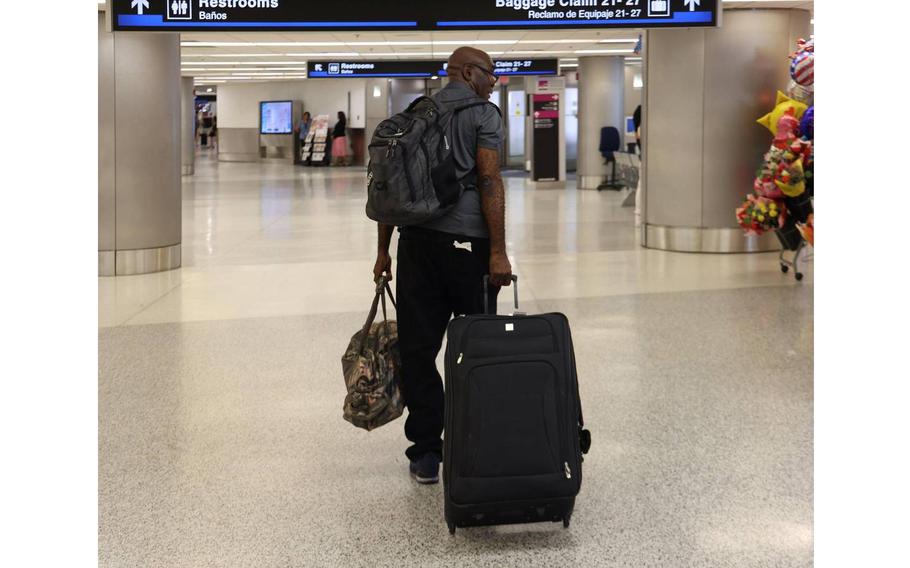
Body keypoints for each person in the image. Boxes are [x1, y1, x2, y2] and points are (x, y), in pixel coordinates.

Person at [372, 47, 513, 484]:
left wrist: (383, 251)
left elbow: (391, 191)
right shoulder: (484, 115)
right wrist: (498, 251)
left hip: (415, 245)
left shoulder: (415, 113)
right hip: (468, 247)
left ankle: (426, 451)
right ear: (468, 73)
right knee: (475, 347)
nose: (494, 80)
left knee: (419, 349)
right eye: (490, 73)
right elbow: (488, 179)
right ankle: (474, 440)